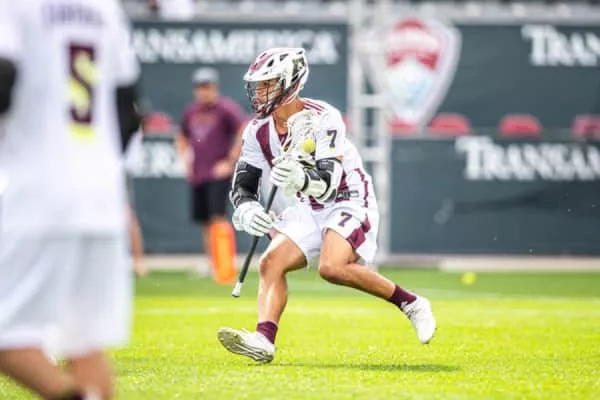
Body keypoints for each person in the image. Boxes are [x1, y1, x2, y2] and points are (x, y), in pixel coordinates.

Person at [217, 48, 437, 363]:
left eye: (268, 83)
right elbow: (244, 182)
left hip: (347, 197)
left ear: (290, 82)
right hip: (307, 205)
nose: (260, 91)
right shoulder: (256, 130)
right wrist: (247, 208)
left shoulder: (324, 117)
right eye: (258, 84)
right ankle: (264, 340)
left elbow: (328, 183)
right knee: (270, 263)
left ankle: (411, 303)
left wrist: (299, 178)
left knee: (332, 267)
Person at [0, 0, 141, 398]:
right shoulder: (103, 9)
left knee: (8, 337)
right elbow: (128, 111)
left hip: (34, 190)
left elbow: (3, 81)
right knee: (84, 343)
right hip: (100, 195)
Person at [176, 67, 248, 284]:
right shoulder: (191, 111)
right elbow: (181, 135)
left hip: (217, 173)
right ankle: (212, 263)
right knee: (206, 221)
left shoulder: (225, 108)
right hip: (199, 173)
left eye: (206, 87)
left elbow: (244, 128)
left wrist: (230, 161)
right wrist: (185, 160)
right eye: (199, 87)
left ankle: (224, 266)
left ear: (214, 88)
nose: (203, 91)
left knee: (218, 218)